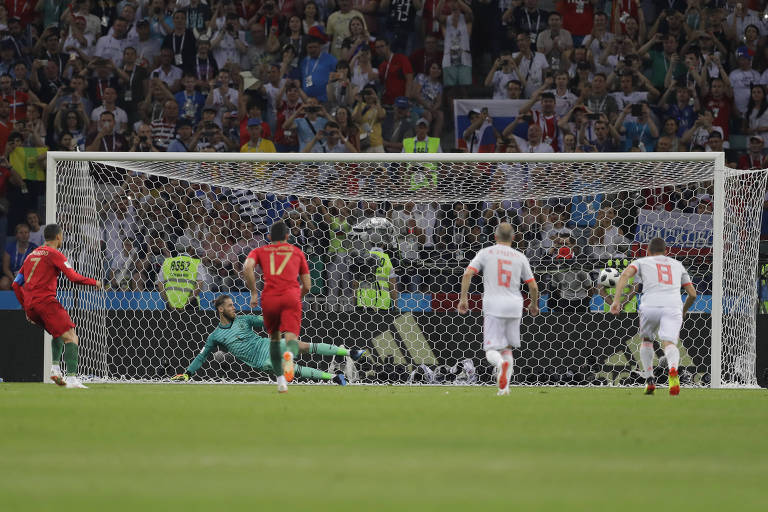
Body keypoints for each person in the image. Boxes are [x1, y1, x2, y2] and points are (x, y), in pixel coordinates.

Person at [171, 294, 365, 384]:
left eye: (233, 305)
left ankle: (351, 352)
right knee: (289, 368)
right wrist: (188, 373)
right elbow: (202, 356)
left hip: (269, 344)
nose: (234, 308)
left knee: (301, 345)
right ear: (220, 310)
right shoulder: (215, 336)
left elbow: (265, 322)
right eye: (230, 306)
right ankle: (333, 377)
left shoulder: (244, 320)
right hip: (261, 361)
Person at [11, 223, 101, 389]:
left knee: (58, 333)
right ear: (59, 237)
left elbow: (16, 284)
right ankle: (73, 379)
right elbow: (72, 277)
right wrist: (94, 282)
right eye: (62, 236)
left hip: (31, 306)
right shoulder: (55, 254)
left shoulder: (31, 255)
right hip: (46, 302)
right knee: (72, 336)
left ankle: (55, 369)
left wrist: (26, 309)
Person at [458, 222, 539, 395]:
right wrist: (533, 303)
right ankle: (504, 389)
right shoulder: (520, 256)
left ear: (495, 237)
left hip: (494, 304)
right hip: (514, 304)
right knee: (507, 348)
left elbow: (467, 273)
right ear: (514, 238)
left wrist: (463, 298)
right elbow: (532, 286)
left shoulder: (486, 253)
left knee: (491, 350)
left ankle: (500, 364)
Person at [610, 237, 697, 396]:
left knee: (647, 341)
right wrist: (683, 310)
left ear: (648, 251)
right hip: (673, 306)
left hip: (650, 305)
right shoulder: (677, 265)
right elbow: (692, 294)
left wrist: (616, 301)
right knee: (669, 344)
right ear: (666, 251)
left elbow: (624, 276)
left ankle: (650, 379)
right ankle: (673, 370)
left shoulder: (641, 262)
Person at [243, 221, 311, 393]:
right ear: (288, 237)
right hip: (291, 296)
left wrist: (253, 292)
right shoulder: (297, 252)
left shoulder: (259, 251)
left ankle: (281, 381)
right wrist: (297, 297)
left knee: (274, 339)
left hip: (270, 297)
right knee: (291, 340)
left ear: (268, 237)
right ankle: (289, 356)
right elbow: (308, 286)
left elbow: (247, 267)